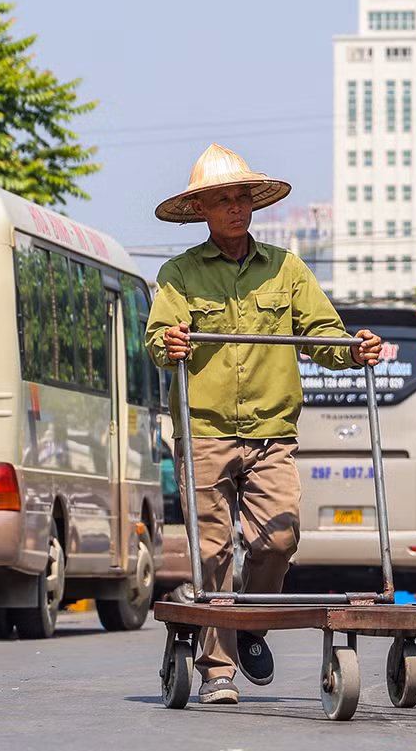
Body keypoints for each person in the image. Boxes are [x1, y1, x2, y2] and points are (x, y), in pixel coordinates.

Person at [146, 144, 383, 707]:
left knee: (280, 537)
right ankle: (218, 669)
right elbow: (158, 341)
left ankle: (252, 626)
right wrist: (170, 342)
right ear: (202, 209)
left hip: (271, 428)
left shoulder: (286, 268)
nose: (235, 209)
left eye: (242, 199)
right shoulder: (178, 274)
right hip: (203, 429)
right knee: (213, 554)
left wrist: (354, 351)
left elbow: (322, 335)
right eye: (223, 200)